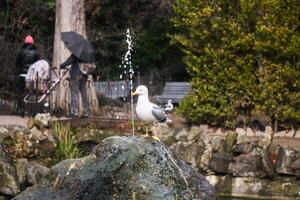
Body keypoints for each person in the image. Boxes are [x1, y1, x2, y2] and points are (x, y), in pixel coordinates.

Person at [15, 35, 40, 116]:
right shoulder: (36, 53)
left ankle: (21, 109)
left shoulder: (21, 52)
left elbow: (17, 63)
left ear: (25, 42)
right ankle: (31, 110)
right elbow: (38, 65)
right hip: (31, 76)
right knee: (32, 92)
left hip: (22, 75)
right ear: (33, 42)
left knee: (20, 92)